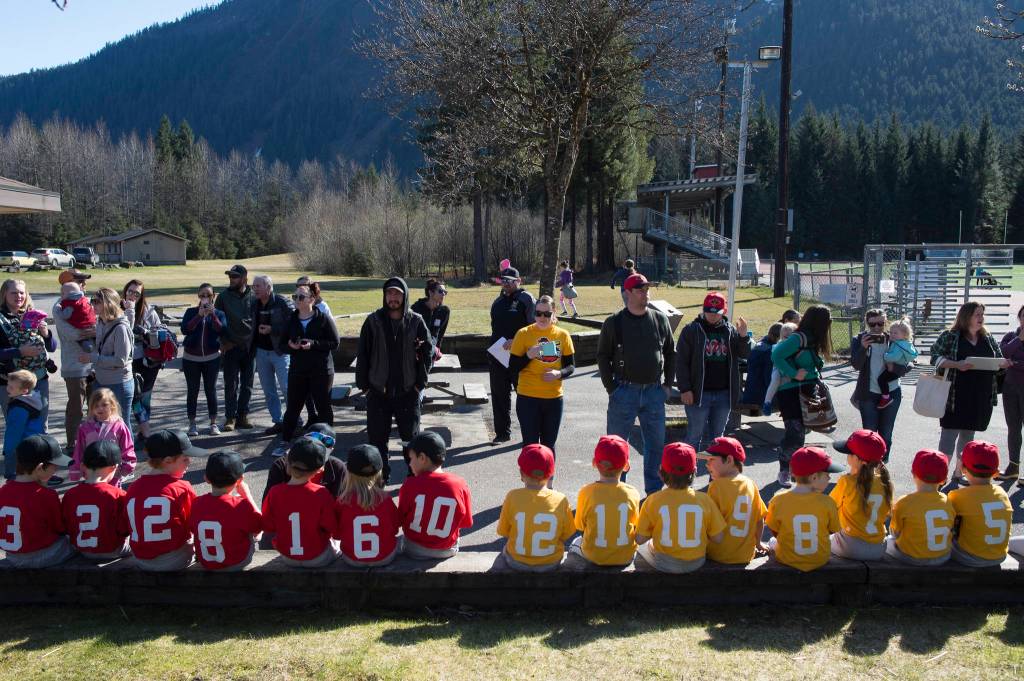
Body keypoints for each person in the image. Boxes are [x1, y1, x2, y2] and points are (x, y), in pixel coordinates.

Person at [596, 273, 675, 495]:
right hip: (624, 392)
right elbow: (602, 356)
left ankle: (653, 494)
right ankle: (618, 493)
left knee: (655, 447)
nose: (645, 294)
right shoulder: (614, 323)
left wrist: (667, 385)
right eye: (640, 290)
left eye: (647, 289)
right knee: (616, 447)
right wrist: (611, 388)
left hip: (654, 393)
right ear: (627, 293)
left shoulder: (660, 319)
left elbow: (671, 352)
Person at [356, 277, 431, 481]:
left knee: (411, 441)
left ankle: (413, 478)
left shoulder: (416, 321)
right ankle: (380, 479)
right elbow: (362, 354)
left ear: (404, 295)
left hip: (408, 392)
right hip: (378, 392)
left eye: (397, 293)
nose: (393, 297)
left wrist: (419, 385)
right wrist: (365, 387)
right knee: (377, 441)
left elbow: (427, 352)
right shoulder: (373, 321)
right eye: (389, 293)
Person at [930, 302, 1009, 480]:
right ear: (966, 317)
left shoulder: (987, 338)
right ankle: (939, 475)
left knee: (968, 436)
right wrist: (957, 364)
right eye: (977, 315)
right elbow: (935, 357)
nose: (981, 318)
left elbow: (998, 360)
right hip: (955, 395)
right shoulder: (950, 336)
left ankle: (959, 473)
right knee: (949, 435)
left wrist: (1002, 364)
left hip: (980, 395)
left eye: (982, 314)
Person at [676, 292, 752, 452]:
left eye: (716, 313)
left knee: (718, 439)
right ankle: (687, 473)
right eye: (709, 311)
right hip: (698, 393)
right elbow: (681, 362)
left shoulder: (730, 330)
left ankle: (717, 476)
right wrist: (685, 388)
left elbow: (744, 354)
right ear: (704, 310)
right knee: (694, 436)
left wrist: (744, 336)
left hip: (723, 394)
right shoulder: (691, 330)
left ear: (723, 312)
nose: (712, 316)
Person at [634, 442, 726, 573]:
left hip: (664, 562)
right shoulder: (705, 500)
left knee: (641, 548)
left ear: (661, 472)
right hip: (697, 562)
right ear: (695, 471)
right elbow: (718, 538)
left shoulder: (653, 500)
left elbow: (640, 539)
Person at [121, 429, 204, 571]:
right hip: (174, 559)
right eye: (185, 459)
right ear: (167, 461)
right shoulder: (181, 488)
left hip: (141, 559)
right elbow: (196, 524)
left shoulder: (133, 488)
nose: (189, 462)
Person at [770, 304, 833, 488]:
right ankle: (785, 470)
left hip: (807, 389)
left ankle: (794, 469)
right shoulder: (799, 337)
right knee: (794, 433)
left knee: (801, 433)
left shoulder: (812, 339)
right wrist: (793, 372)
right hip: (792, 391)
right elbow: (777, 355)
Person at [509, 295, 575, 458]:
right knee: (530, 445)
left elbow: (571, 366)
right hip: (528, 397)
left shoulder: (562, 335)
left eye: (546, 314)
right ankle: (529, 481)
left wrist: (559, 373)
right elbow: (513, 367)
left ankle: (548, 483)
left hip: (553, 397)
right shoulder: (523, 333)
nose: (542, 318)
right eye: (538, 313)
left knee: (549, 444)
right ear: (534, 314)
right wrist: (528, 356)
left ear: (553, 313)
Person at [260, 437, 341, 567]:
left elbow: (268, 526)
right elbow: (332, 527)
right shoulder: (321, 493)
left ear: (287, 462)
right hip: (317, 557)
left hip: (287, 556)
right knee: (338, 545)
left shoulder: (274, 492)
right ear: (320, 469)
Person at [496, 444, 575, 572]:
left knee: (505, 550)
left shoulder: (512, 496)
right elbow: (567, 534)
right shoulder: (561, 499)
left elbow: (503, 531)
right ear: (550, 474)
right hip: (551, 562)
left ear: (521, 473)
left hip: (517, 562)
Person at [0, 434, 75, 568]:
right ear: (40, 468)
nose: (57, 469)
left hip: (11, 556)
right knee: (75, 541)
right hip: (42, 555)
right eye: (54, 466)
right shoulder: (46, 495)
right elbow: (60, 528)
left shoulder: (3, 491)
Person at [765, 446, 843, 572]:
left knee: (773, 541)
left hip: (786, 558)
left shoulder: (778, 500)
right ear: (813, 478)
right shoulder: (828, 502)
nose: (829, 478)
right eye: (827, 474)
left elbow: (774, 529)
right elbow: (832, 530)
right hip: (820, 559)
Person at [568, 435, 641, 567]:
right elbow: (636, 523)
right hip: (625, 556)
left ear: (594, 463)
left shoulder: (586, 492)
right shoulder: (633, 493)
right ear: (626, 466)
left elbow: (579, 526)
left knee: (575, 542)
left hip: (594, 556)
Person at [398, 431, 472, 559]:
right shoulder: (459, 484)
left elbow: (400, 519)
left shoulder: (410, 485)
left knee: (400, 540)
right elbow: (466, 522)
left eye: (411, 459)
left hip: (414, 549)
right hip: (446, 550)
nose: (409, 464)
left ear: (422, 458)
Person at [280, 284, 340, 443]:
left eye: (300, 297)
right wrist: (290, 347)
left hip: (320, 371)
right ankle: (285, 441)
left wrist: (313, 344)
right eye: (294, 297)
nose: (296, 300)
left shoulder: (323, 318)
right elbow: (280, 345)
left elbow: (335, 342)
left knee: (323, 408)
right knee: (293, 408)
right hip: (298, 370)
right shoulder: (291, 319)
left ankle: (326, 442)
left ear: (312, 299)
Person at [850, 309, 910, 458]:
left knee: (886, 433)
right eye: (872, 324)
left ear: (886, 322)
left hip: (892, 392)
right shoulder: (859, 340)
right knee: (869, 434)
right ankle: (869, 467)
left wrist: (895, 368)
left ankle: (882, 466)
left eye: (881, 323)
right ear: (867, 323)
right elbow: (856, 365)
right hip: (868, 393)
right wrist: (863, 348)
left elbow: (910, 362)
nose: (877, 328)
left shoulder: (894, 338)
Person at [190, 450, 263, 571]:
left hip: (206, 562)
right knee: (254, 530)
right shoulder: (241, 505)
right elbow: (260, 526)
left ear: (206, 479)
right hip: (237, 562)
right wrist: (247, 496)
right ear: (240, 480)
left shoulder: (196, 503)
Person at [701, 437, 768, 565]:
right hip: (745, 554)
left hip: (717, 554)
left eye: (711, 459)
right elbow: (760, 519)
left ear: (729, 460)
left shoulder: (716, 486)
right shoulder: (751, 484)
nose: (707, 464)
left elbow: (708, 522)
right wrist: (758, 543)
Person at [829, 430, 894, 561]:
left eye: (849, 453)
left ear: (860, 460)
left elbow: (829, 506)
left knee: (821, 540)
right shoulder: (885, 482)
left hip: (851, 546)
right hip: (878, 547)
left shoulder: (847, 481)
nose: (847, 455)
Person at [61, 440, 131, 561]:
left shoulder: (70, 495)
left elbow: (66, 527)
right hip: (113, 550)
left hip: (81, 549)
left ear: (83, 466)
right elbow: (124, 530)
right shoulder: (118, 495)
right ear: (113, 468)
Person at [488, 267, 535, 445]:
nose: (506, 283)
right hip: (497, 356)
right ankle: (502, 433)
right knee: (499, 396)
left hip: (520, 357)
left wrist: (516, 340)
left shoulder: (526, 299)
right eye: (503, 280)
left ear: (518, 281)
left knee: (524, 397)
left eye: (510, 280)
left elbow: (534, 328)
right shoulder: (497, 301)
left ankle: (530, 434)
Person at [948, 441, 1013, 567]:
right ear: (996, 473)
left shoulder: (958, 496)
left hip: (969, 557)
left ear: (962, 469)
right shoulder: (1002, 493)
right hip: (999, 556)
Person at [336, 444, 402, 567]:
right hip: (385, 558)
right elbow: (395, 527)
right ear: (379, 472)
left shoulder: (342, 501)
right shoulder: (385, 499)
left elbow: (337, 534)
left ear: (348, 471)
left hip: (351, 559)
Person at [0, 279, 56, 423]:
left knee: (40, 425)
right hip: (11, 382)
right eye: (14, 293)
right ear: (4, 294)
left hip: (39, 379)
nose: (18, 296)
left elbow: (52, 347)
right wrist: (19, 352)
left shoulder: (32, 315)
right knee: (17, 426)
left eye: (21, 292)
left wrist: (46, 334)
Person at [885, 449, 954, 566]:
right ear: (944, 480)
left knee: (886, 542)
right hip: (942, 557)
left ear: (913, 473)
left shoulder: (904, 502)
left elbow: (895, 532)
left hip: (911, 558)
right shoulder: (949, 501)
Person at [82, 287, 135, 440]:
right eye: (92, 301)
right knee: (102, 422)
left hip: (119, 383)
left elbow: (120, 360)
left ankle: (127, 459)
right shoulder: (101, 322)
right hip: (101, 380)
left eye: (97, 302)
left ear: (108, 303)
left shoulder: (121, 328)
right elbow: (101, 350)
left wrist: (93, 358)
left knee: (121, 424)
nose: (93, 305)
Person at [52, 269, 95, 451]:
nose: (84, 284)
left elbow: (101, 325)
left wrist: (96, 330)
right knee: (76, 409)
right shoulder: (60, 307)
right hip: (74, 367)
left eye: (84, 281)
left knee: (96, 408)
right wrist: (94, 331)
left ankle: (92, 442)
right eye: (80, 280)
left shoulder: (86, 301)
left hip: (95, 364)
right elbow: (71, 334)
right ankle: (73, 445)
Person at [250, 274, 295, 435]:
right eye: (253, 286)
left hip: (280, 352)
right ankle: (278, 421)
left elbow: (293, 324)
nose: (254, 289)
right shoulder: (254, 304)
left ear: (268, 288)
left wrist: (273, 330)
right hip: (261, 353)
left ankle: (294, 421)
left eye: (258, 286)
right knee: (269, 390)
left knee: (286, 387)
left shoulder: (282, 302)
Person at [180, 283, 227, 437]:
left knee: (210, 390)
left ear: (213, 296)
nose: (205, 298)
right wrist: (199, 315)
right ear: (198, 297)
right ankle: (192, 424)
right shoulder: (191, 311)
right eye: (202, 295)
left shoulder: (219, 313)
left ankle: (213, 423)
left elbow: (222, 330)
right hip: (191, 358)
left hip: (212, 358)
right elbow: (185, 329)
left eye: (208, 295)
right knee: (192, 391)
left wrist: (212, 315)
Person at [216, 264, 255, 432]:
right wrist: (223, 343)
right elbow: (216, 322)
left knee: (248, 384)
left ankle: (243, 415)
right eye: (230, 276)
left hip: (250, 348)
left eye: (235, 276)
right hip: (230, 347)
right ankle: (230, 417)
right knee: (230, 384)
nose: (231, 279)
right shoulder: (223, 297)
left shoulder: (254, 296)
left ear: (244, 278)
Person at [122, 279, 163, 440]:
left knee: (146, 396)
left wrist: (146, 332)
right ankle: (145, 429)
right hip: (132, 360)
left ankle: (142, 429)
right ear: (125, 291)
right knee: (136, 397)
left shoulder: (148, 311)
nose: (133, 295)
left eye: (137, 293)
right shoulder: (119, 308)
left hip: (151, 359)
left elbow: (160, 331)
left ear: (141, 296)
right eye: (130, 291)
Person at [262, 424, 346, 502]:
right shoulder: (281, 464)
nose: (319, 444)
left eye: (327, 442)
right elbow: (268, 502)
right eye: (313, 438)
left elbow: (339, 503)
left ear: (332, 449)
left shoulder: (337, 467)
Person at [70, 388, 136, 486]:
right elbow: (79, 450)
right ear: (91, 407)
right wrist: (75, 470)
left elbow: (127, 448)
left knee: (112, 497)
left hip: (112, 473)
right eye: (96, 406)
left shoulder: (119, 426)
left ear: (112, 406)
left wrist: (126, 468)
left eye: (104, 405)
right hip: (91, 473)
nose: (100, 408)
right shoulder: (85, 428)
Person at [3, 370, 45, 482]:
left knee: (15, 479)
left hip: (22, 447)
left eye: (11, 387)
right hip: (34, 444)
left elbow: (14, 432)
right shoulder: (32, 400)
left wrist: (8, 451)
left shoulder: (18, 408)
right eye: (8, 385)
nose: (7, 389)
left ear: (24, 390)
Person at [998, 305, 1024, 482]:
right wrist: (1020, 339)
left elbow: (1010, 360)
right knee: (1013, 428)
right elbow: (1002, 354)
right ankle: (1013, 466)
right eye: (1023, 317)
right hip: (1010, 389)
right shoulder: (1010, 336)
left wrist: (1014, 363)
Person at [876, 319, 917, 410]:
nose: (892, 335)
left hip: (895, 370)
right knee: (886, 380)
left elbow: (894, 357)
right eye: (891, 332)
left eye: (895, 333)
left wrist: (885, 355)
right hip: (898, 368)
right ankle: (894, 395)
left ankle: (886, 398)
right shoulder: (902, 343)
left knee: (881, 380)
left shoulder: (899, 346)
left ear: (904, 335)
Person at [740, 322, 781, 410]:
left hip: (750, 393)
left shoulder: (758, 345)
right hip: (762, 397)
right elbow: (769, 379)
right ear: (777, 338)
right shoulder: (769, 352)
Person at [761, 323, 797, 415]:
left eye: (790, 337)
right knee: (775, 380)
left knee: (791, 385)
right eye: (785, 337)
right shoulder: (777, 346)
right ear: (781, 337)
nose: (787, 340)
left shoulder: (797, 346)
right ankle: (767, 402)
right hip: (777, 369)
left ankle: (787, 409)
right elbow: (777, 357)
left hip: (790, 370)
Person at [411, 278, 450, 362]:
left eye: (445, 292)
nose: (443, 294)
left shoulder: (444, 311)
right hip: (418, 345)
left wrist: (437, 348)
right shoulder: (416, 308)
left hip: (432, 347)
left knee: (432, 354)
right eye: (440, 291)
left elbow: (440, 333)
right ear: (431, 292)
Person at [57, 282, 96, 351]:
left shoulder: (69, 304)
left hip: (80, 326)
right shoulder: (84, 300)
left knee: (83, 340)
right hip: (91, 324)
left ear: (70, 294)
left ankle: (88, 346)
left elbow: (65, 316)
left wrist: (60, 312)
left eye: (63, 293)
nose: (61, 295)